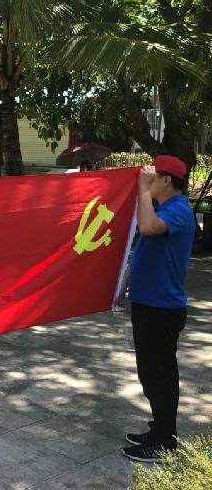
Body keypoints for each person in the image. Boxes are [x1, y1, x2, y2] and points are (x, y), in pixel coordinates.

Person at [121, 155, 195, 464]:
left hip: (162, 308)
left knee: (160, 375)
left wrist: (141, 190)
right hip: (147, 304)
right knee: (149, 374)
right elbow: (141, 251)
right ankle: (159, 429)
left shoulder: (179, 210)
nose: (146, 180)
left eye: (152, 176)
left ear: (166, 180)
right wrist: (121, 288)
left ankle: (165, 443)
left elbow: (148, 228)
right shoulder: (162, 209)